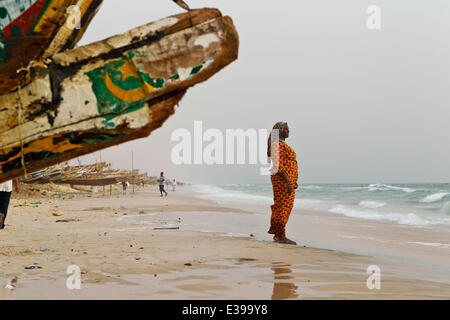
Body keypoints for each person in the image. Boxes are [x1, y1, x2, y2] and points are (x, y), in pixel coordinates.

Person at [267, 122, 298, 245]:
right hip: (282, 181)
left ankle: (279, 234)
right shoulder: (277, 145)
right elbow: (278, 165)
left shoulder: (281, 144)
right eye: (286, 129)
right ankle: (280, 236)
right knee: (282, 208)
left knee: (284, 207)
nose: (288, 131)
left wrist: (293, 181)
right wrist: (288, 182)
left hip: (287, 181)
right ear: (280, 131)